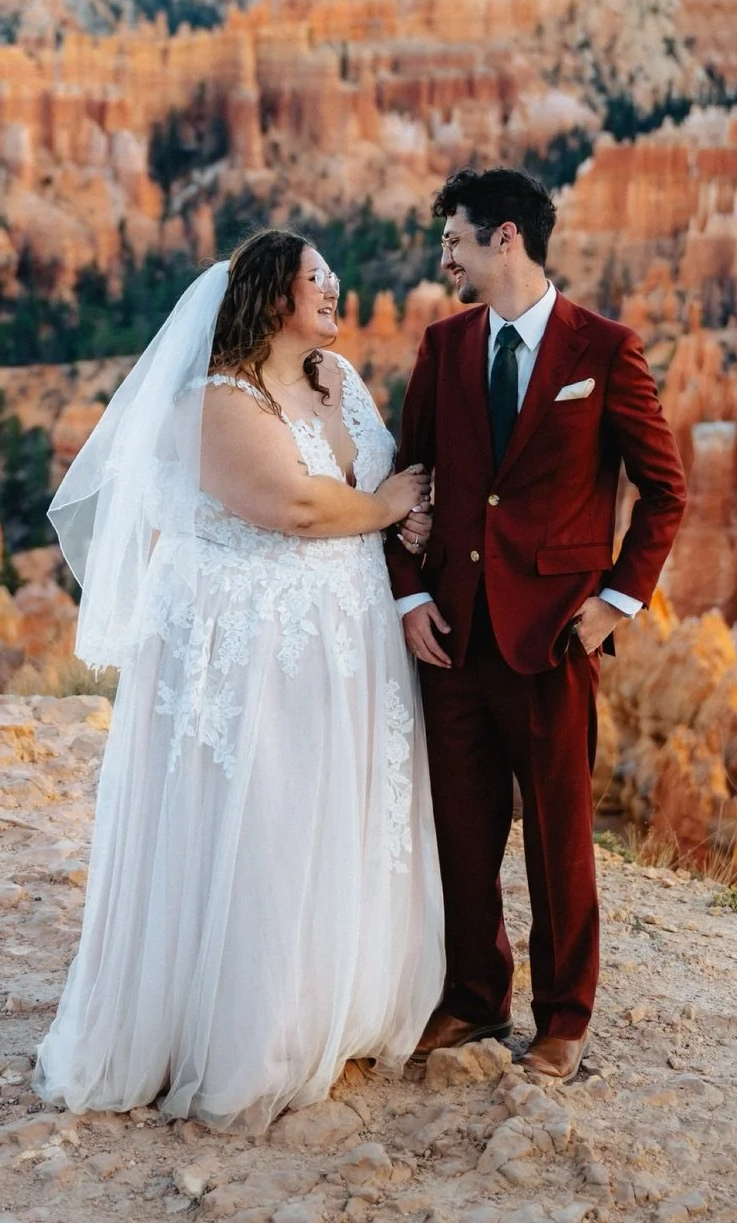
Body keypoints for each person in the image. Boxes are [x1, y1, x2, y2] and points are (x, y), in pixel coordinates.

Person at [34, 230, 444, 1130]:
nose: (335, 290)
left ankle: (334, 1007)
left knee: (330, 816)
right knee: (266, 818)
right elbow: (294, 505)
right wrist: (385, 509)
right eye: (317, 280)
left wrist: (402, 516)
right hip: (259, 649)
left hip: (346, 644)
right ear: (271, 297)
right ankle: (248, 1037)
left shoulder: (337, 380)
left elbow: (370, 476)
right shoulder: (217, 402)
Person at [387, 167, 687, 1081]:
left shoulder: (604, 348)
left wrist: (613, 603)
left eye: (456, 240)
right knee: (462, 832)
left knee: (559, 838)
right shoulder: (443, 347)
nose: (445, 256)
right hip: (454, 635)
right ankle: (475, 999)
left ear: (505, 237)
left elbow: (665, 493)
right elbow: (407, 485)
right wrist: (409, 596)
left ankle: (564, 1018)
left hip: (556, 637)